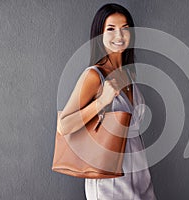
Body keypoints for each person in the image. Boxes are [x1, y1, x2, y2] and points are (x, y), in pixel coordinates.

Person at [58, 3, 157, 200]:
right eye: (111, 29)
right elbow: (64, 126)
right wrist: (101, 101)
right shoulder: (95, 76)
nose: (119, 36)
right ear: (99, 35)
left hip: (139, 175)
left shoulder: (128, 74)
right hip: (111, 181)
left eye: (125, 28)